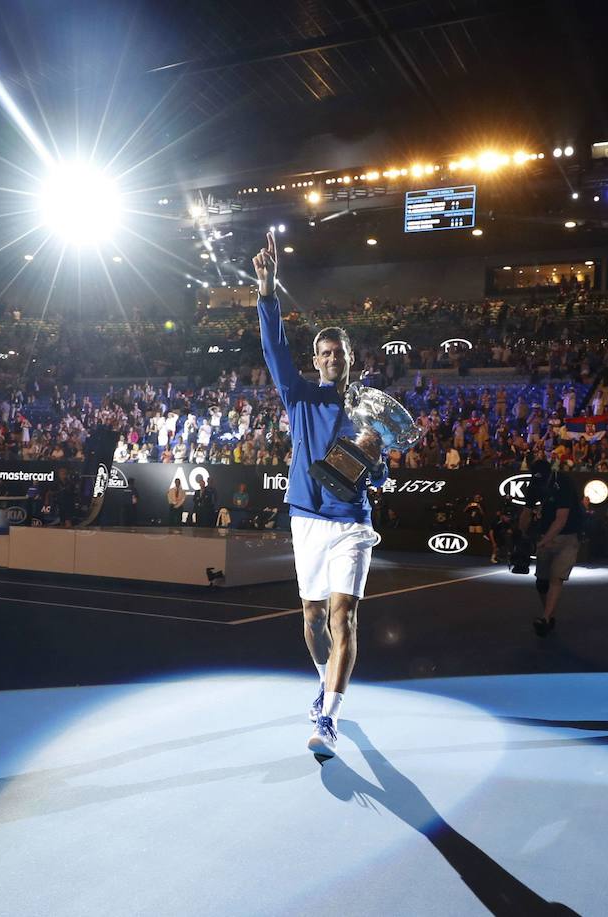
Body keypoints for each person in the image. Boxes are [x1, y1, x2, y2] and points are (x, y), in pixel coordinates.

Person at [254, 231, 388, 759]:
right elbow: (274, 349)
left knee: (342, 616)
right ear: (316, 358)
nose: (332, 358)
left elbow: (375, 478)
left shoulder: (369, 409)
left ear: (351, 358)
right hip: (307, 519)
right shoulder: (299, 396)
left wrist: (374, 458)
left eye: (340, 352)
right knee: (311, 618)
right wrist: (267, 292)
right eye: (324, 351)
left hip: (351, 520)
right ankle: (323, 680)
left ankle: (329, 715)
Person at [518, 459, 584, 636]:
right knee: (541, 582)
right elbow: (526, 512)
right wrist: (521, 536)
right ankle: (550, 614)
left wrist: (543, 541)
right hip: (545, 533)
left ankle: (546, 618)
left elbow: (561, 518)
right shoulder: (534, 485)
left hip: (569, 535)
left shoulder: (563, 482)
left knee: (556, 577)